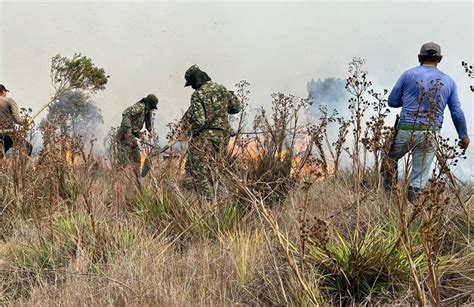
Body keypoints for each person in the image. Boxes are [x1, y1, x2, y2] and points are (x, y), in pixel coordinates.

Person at [382, 42, 470, 201]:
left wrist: (410, 101)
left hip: (405, 129)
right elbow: (456, 112)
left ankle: (388, 198)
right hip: (430, 133)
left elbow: (392, 101)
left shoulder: (408, 75)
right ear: (440, 59)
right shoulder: (448, 81)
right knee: (419, 176)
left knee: (389, 159)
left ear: (419, 57)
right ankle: (411, 213)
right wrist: (463, 135)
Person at [179, 65, 241, 198]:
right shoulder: (222, 89)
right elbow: (236, 108)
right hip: (222, 139)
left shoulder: (198, 94)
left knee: (198, 173)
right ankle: (222, 200)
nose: (192, 87)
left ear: (195, 80)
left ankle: (207, 204)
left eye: (191, 84)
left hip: (204, 139)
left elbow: (199, 120)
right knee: (215, 171)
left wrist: (191, 133)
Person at [116, 94, 158, 169]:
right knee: (123, 162)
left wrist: (140, 135)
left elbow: (135, 127)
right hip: (124, 136)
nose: (151, 110)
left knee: (136, 159)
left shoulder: (145, 111)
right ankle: (117, 178)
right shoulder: (140, 107)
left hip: (131, 137)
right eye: (152, 107)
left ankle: (136, 179)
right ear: (149, 104)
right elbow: (126, 113)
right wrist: (128, 131)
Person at [0, 84, 32, 157]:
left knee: (1, 155)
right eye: (5, 92)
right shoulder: (9, 100)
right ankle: (23, 167)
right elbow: (16, 119)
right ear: (2, 91)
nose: (6, 94)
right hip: (7, 133)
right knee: (28, 147)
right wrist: (26, 123)